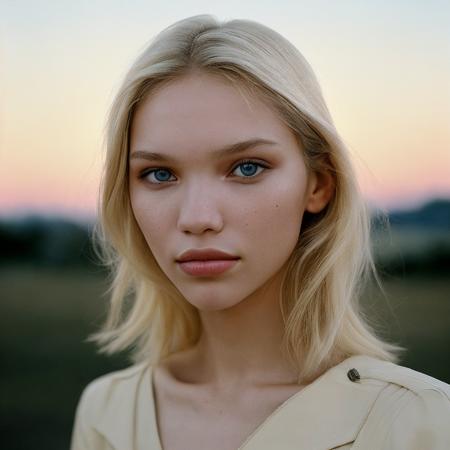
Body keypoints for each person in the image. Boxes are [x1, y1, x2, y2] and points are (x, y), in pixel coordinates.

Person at [70, 14, 450, 450]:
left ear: (319, 184)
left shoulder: (419, 421)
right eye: (158, 174)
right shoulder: (106, 412)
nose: (196, 217)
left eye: (246, 167)